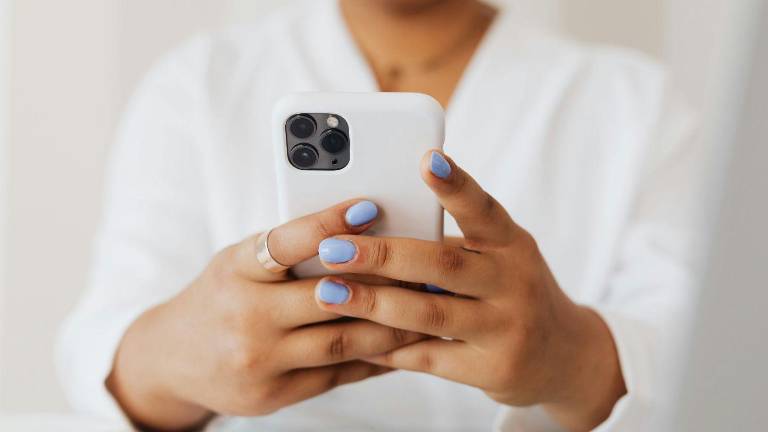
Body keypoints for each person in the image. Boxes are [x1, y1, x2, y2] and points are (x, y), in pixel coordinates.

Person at [56, 0, 709, 431]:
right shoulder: (200, 83)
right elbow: (100, 346)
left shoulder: (636, 105)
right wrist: (181, 353)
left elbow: (710, 372)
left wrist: (570, 356)